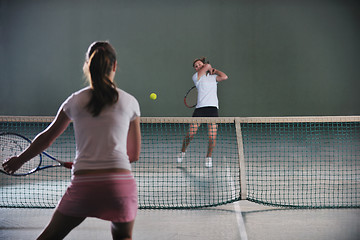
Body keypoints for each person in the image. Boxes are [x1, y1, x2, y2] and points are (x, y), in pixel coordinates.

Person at [2, 41, 141, 240]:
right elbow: (133, 155)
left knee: (49, 236)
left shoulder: (75, 100)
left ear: (87, 65)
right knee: (123, 237)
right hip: (120, 185)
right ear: (115, 66)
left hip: (84, 184)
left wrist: (19, 160)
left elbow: (47, 138)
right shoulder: (130, 101)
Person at [177, 57, 228, 167]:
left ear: (203, 64)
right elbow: (207, 66)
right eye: (196, 66)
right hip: (200, 109)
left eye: (199, 64)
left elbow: (224, 77)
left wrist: (215, 71)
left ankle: (208, 157)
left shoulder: (213, 78)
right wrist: (208, 67)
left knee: (212, 136)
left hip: (213, 109)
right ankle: (182, 152)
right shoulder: (196, 77)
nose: (197, 67)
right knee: (190, 134)